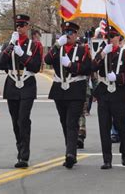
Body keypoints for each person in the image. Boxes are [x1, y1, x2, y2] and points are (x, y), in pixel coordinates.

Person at [44, 21, 92, 169]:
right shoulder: (58, 49)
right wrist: (57, 45)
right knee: (64, 121)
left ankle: (70, 154)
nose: (68, 35)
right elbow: (47, 61)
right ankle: (69, 148)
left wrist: (71, 66)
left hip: (76, 88)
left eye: (71, 32)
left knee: (72, 121)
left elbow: (87, 68)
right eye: (66, 32)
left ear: (76, 35)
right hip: (60, 89)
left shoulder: (82, 50)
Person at [0, 15, 42, 168]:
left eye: (22, 25)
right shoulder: (8, 44)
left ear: (28, 27)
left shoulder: (35, 46)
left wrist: (22, 54)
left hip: (27, 85)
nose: (20, 28)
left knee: (23, 119)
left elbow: (36, 67)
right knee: (15, 121)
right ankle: (20, 150)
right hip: (12, 85)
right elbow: (1, 62)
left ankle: (24, 156)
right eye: (17, 25)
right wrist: (11, 46)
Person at [92, 26, 125, 169]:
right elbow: (91, 67)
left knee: (120, 125)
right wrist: (102, 54)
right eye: (108, 36)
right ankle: (107, 159)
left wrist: (117, 77)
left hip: (119, 92)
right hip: (104, 91)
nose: (110, 39)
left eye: (113, 36)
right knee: (104, 126)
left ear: (119, 38)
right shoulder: (102, 52)